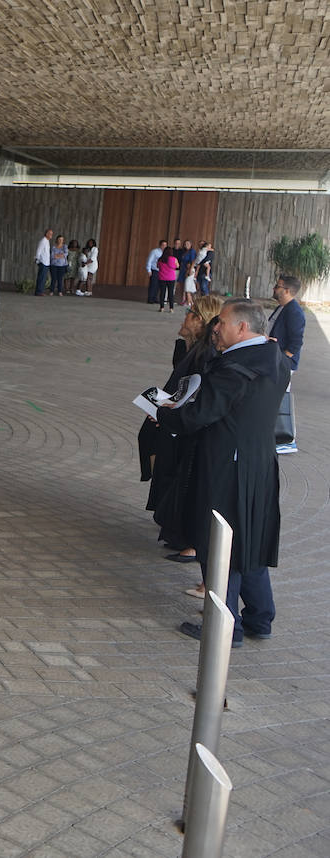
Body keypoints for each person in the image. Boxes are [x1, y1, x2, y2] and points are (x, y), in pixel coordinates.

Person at [161, 300, 289, 648]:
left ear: (243, 329)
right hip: (259, 463)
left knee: (220, 543)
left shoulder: (235, 370)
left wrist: (164, 414)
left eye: (223, 323)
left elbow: (198, 415)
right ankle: (260, 618)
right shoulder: (274, 358)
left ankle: (224, 627)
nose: (216, 327)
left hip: (226, 467)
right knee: (250, 538)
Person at [143, 295, 223, 575]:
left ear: (200, 320)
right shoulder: (190, 348)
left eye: (189, 313)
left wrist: (167, 411)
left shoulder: (205, 354)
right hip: (174, 415)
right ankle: (169, 518)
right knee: (151, 444)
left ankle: (184, 536)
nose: (184, 316)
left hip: (185, 423)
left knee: (173, 468)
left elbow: (194, 392)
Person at [269, 274, 306, 454]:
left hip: (283, 364)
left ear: (287, 291)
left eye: (278, 286)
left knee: (282, 399)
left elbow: (296, 342)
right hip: (277, 361)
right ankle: (279, 436)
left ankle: (287, 439)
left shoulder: (294, 311)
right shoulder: (282, 308)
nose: (275, 288)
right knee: (276, 398)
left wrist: (283, 360)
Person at [155, 246, 179, 312]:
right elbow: (177, 266)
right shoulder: (174, 259)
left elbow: (157, 266)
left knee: (162, 292)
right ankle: (171, 308)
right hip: (171, 278)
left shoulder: (160, 259)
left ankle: (162, 307)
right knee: (170, 293)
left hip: (162, 278)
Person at [145, 239, 167, 304]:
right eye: (163, 245)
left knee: (158, 285)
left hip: (162, 271)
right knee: (153, 285)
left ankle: (155, 298)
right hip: (154, 270)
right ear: (160, 245)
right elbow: (149, 261)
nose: (164, 246)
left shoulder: (166, 253)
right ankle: (150, 299)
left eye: (165, 245)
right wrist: (148, 270)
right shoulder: (155, 251)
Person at [34, 228, 53, 296]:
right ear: (46, 234)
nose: (51, 235)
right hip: (42, 262)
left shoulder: (47, 241)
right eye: (50, 234)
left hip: (46, 262)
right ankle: (38, 292)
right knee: (41, 277)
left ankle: (40, 291)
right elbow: (39, 251)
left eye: (52, 234)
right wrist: (37, 259)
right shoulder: (43, 241)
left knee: (44, 278)